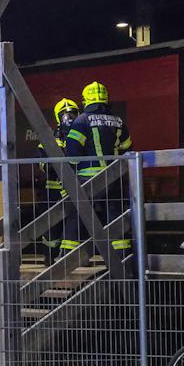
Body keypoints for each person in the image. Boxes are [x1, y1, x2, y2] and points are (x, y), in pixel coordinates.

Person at [59, 80, 134, 257]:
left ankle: (68, 256)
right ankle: (122, 256)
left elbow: (73, 154)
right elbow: (127, 149)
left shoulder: (82, 120)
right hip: (115, 179)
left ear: (86, 100)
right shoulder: (119, 121)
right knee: (115, 216)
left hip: (88, 179)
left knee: (77, 215)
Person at [40, 98, 79, 262]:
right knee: (52, 226)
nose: (68, 118)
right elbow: (43, 164)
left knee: (74, 221)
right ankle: (49, 258)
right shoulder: (50, 138)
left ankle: (71, 258)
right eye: (65, 114)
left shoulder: (80, 135)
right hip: (54, 190)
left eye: (72, 114)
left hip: (76, 188)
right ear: (58, 117)